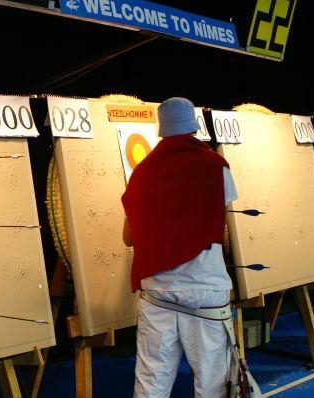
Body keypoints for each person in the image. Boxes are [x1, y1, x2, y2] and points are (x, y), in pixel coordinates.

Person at [121, 97, 238, 397]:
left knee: (151, 382)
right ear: (193, 126)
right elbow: (217, 226)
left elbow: (129, 238)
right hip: (205, 291)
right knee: (213, 384)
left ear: (162, 130)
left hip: (157, 293)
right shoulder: (216, 166)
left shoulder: (142, 172)